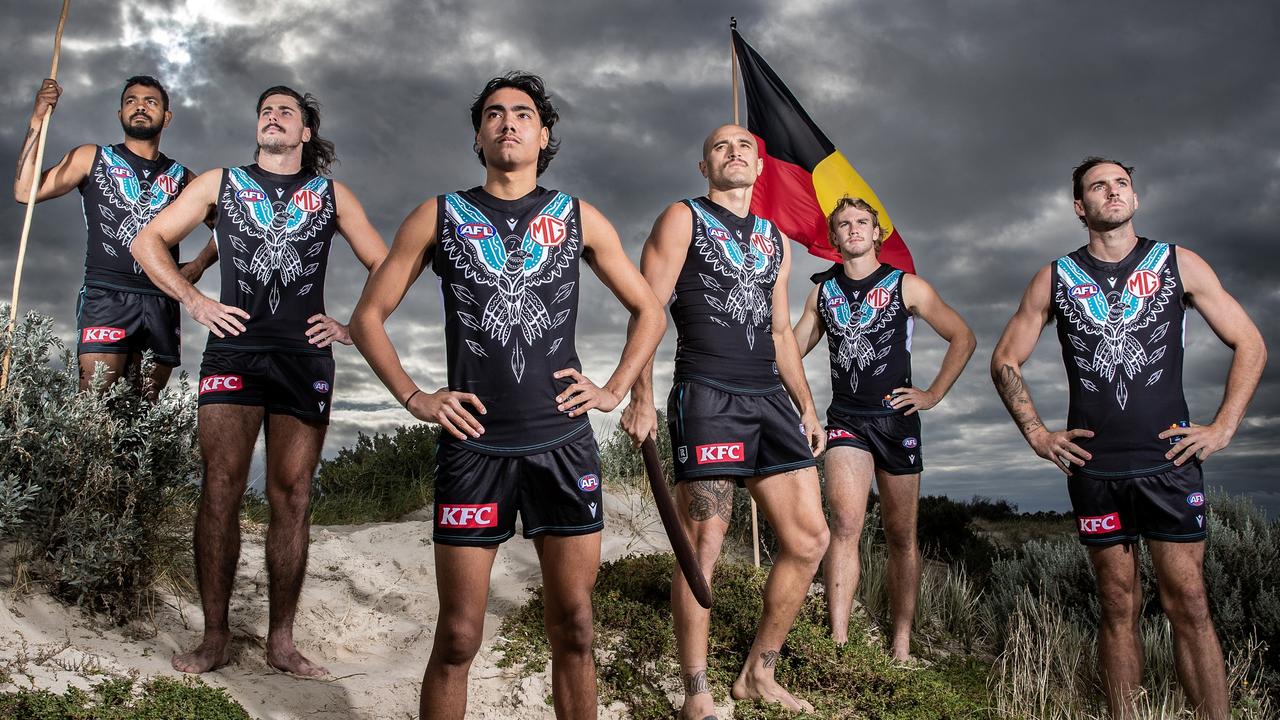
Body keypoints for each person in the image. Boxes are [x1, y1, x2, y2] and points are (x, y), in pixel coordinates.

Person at [349, 72, 664, 720]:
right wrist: (415, 397)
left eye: (523, 114)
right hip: (474, 450)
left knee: (574, 627)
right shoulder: (440, 214)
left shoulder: (576, 216)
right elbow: (367, 317)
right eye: (494, 114)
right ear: (478, 135)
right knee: (459, 635)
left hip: (562, 446)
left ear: (545, 134)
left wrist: (614, 388)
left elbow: (649, 309)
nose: (509, 122)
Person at [990, 157, 1265, 719]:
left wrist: (1224, 427)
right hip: (1096, 468)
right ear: (1078, 206)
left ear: (1135, 199)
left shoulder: (1177, 263)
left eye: (1122, 184)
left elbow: (1251, 343)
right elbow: (1004, 361)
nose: (1112, 193)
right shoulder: (1055, 277)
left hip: (1170, 463)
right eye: (1098, 186)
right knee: (1117, 606)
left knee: (1189, 602)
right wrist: (1038, 435)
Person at [131, 85, 388, 677]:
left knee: (291, 497)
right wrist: (193, 299)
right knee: (219, 489)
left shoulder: (330, 194)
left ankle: (281, 641)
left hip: (303, 359)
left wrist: (353, 324)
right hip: (232, 356)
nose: (272, 117)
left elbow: (384, 261)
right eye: (265, 111)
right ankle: (215, 637)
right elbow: (148, 240)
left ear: (305, 134)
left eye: (286, 113)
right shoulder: (221, 183)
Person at [620, 124, 830, 717]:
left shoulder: (777, 240)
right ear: (703, 165)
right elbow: (648, 310)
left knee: (810, 538)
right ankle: (696, 692)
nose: (734, 152)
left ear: (760, 168)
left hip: (770, 400)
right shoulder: (682, 218)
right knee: (704, 542)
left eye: (745, 147)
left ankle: (759, 673)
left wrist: (808, 407)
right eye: (720, 146)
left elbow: (782, 331)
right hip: (707, 393)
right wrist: (641, 396)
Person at [793, 196, 974, 657]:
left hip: (898, 422)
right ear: (833, 238)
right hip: (847, 421)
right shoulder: (822, 292)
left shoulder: (906, 287)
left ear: (877, 234)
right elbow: (789, 352)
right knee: (846, 525)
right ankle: (838, 642)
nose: (853, 229)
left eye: (862, 223)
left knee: (901, 536)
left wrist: (932, 394)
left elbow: (963, 336)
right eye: (844, 225)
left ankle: (900, 642)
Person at [13, 75, 217, 396]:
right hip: (106, 295)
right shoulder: (91, 157)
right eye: (130, 101)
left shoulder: (183, 178)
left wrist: (199, 265)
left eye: (151, 102)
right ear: (119, 114)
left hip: (161, 299)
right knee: (94, 407)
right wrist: (38, 117)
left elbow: (229, 229)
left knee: (143, 415)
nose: (139, 106)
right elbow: (26, 191)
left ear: (167, 116)